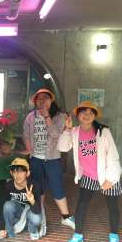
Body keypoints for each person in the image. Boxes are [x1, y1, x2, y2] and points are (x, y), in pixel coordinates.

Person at [58, 101, 122, 242]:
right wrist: (67, 129)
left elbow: (113, 155)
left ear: (94, 116)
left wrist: (111, 178)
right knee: (82, 204)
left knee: (112, 206)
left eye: (90, 113)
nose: (87, 115)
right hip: (88, 175)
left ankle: (114, 235)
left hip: (107, 175)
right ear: (78, 115)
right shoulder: (74, 132)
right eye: (83, 112)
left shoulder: (103, 131)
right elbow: (62, 147)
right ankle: (78, 234)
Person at [23, 88, 74, 234]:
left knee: (57, 187)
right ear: (35, 101)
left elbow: (55, 134)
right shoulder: (30, 116)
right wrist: (29, 149)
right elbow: (26, 134)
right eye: (39, 98)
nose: (42, 101)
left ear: (51, 100)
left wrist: (47, 116)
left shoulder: (60, 116)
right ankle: (39, 216)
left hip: (53, 159)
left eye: (46, 98)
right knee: (38, 189)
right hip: (35, 159)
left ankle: (66, 217)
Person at [0, 158, 43, 241]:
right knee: (7, 205)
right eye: (14, 171)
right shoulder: (8, 186)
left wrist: (32, 200)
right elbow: (1, 207)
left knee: (37, 218)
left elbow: (38, 210)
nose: (18, 175)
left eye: (21, 171)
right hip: (18, 216)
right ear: (11, 173)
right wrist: (1, 228)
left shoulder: (34, 185)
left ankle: (33, 230)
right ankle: (8, 230)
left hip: (30, 215)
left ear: (28, 173)